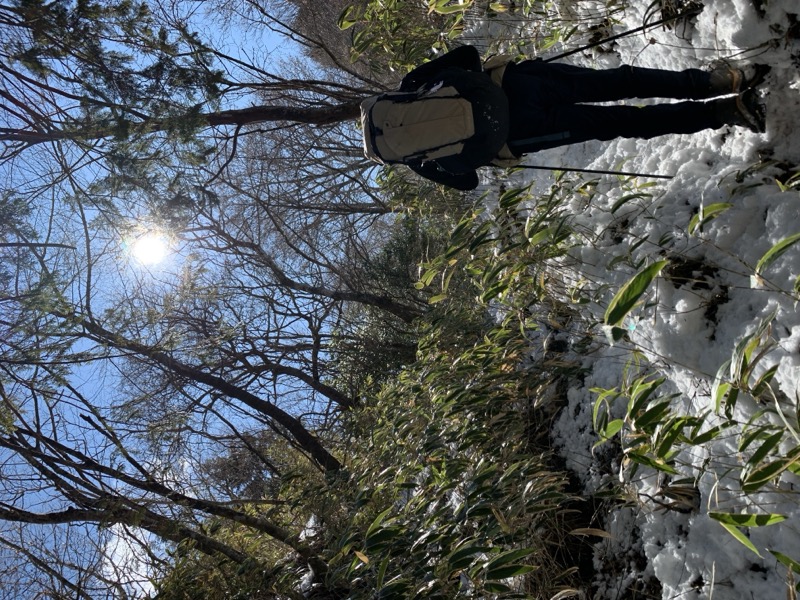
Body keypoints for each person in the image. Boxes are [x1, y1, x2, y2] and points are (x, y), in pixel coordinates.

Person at [398, 45, 768, 190]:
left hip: (519, 134)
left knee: (622, 122)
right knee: (619, 82)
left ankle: (725, 111)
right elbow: (468, 56)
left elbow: (468, 181)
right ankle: (717, 80)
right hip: (516, 83)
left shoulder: (415, 159)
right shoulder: (408, 87)